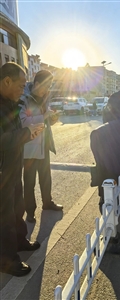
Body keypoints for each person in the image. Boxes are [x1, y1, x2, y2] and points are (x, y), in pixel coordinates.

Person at [0, 62, 44, 277]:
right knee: (4, 216)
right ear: (6, 81)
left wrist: (29, 133)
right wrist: (27, 133)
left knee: (17, 208)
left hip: (12, 167)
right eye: (20, 85)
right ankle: (7, 261)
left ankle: (19, 241)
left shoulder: (10, 103)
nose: (22, 90)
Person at [19, 70, 63, 223]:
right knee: (29, 182)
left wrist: (52, 119)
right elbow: (22, 121)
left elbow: (45, 122)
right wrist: (43, 117)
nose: (48, 89)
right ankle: (30, 211)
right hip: (29, 148)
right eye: (47, 85)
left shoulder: (44, 98)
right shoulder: (24, 98)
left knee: (46, 178)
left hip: (44, 144)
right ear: (37, 84)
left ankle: (47, 202)